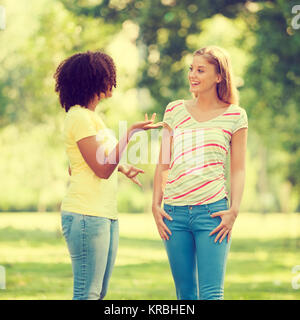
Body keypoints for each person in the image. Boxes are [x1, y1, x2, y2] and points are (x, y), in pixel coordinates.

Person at [54, 50, 162, 300]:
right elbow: (102, 169)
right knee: (87, 293)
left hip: (104, 214)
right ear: (93, 81)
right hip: (86, 214)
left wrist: (122, 167)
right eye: (107, 75)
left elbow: (78, 165)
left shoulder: (92, 118)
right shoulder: (79, 117)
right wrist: (131, 132)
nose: (112, 81)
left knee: (99, 293)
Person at [152, 46, 248, 300]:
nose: (192, 75)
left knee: (211, 295)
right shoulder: (174, 110)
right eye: (191, 69)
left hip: (213, 214)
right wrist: (155, 204)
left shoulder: (235, 116)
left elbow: (238, 169)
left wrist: (234, 210)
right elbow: (163, 162)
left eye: (200, 70)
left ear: (219, 76)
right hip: (174, 214)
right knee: (185, 295)